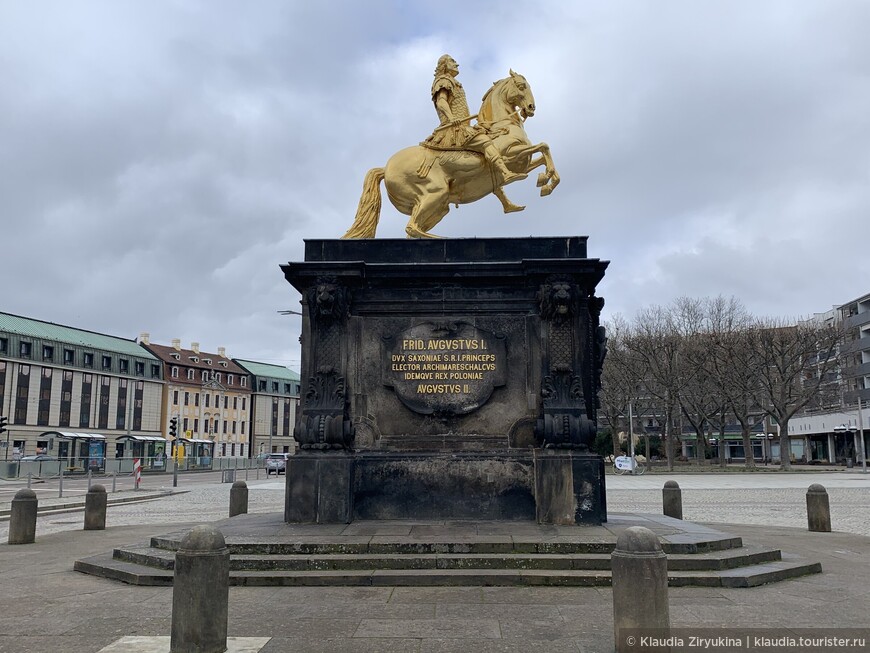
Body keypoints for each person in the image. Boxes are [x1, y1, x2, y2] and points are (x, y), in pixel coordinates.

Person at [425, 55, 527, 191]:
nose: (457, 64)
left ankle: (504, 200)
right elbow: (441, 101)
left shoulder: (454, 83)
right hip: (454, 129)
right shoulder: (443, 81)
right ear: (444, 65)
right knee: (485, 142)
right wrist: (451, 119)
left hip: (462, 126)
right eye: (452, 61)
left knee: (484, 154)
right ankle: (505, 173)